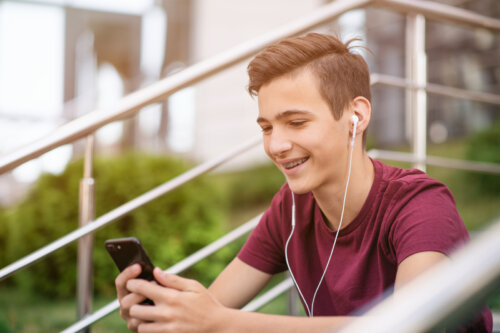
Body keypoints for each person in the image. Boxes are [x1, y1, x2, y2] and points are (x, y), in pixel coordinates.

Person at [115, 32, 492, 332]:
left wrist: (222, 324)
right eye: (266, 127)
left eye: (296, 122)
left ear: (356, 117)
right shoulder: (292, 207)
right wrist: (168, 315)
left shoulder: (420, 204)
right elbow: (217, 308)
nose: (276, 145)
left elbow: (410, 323)